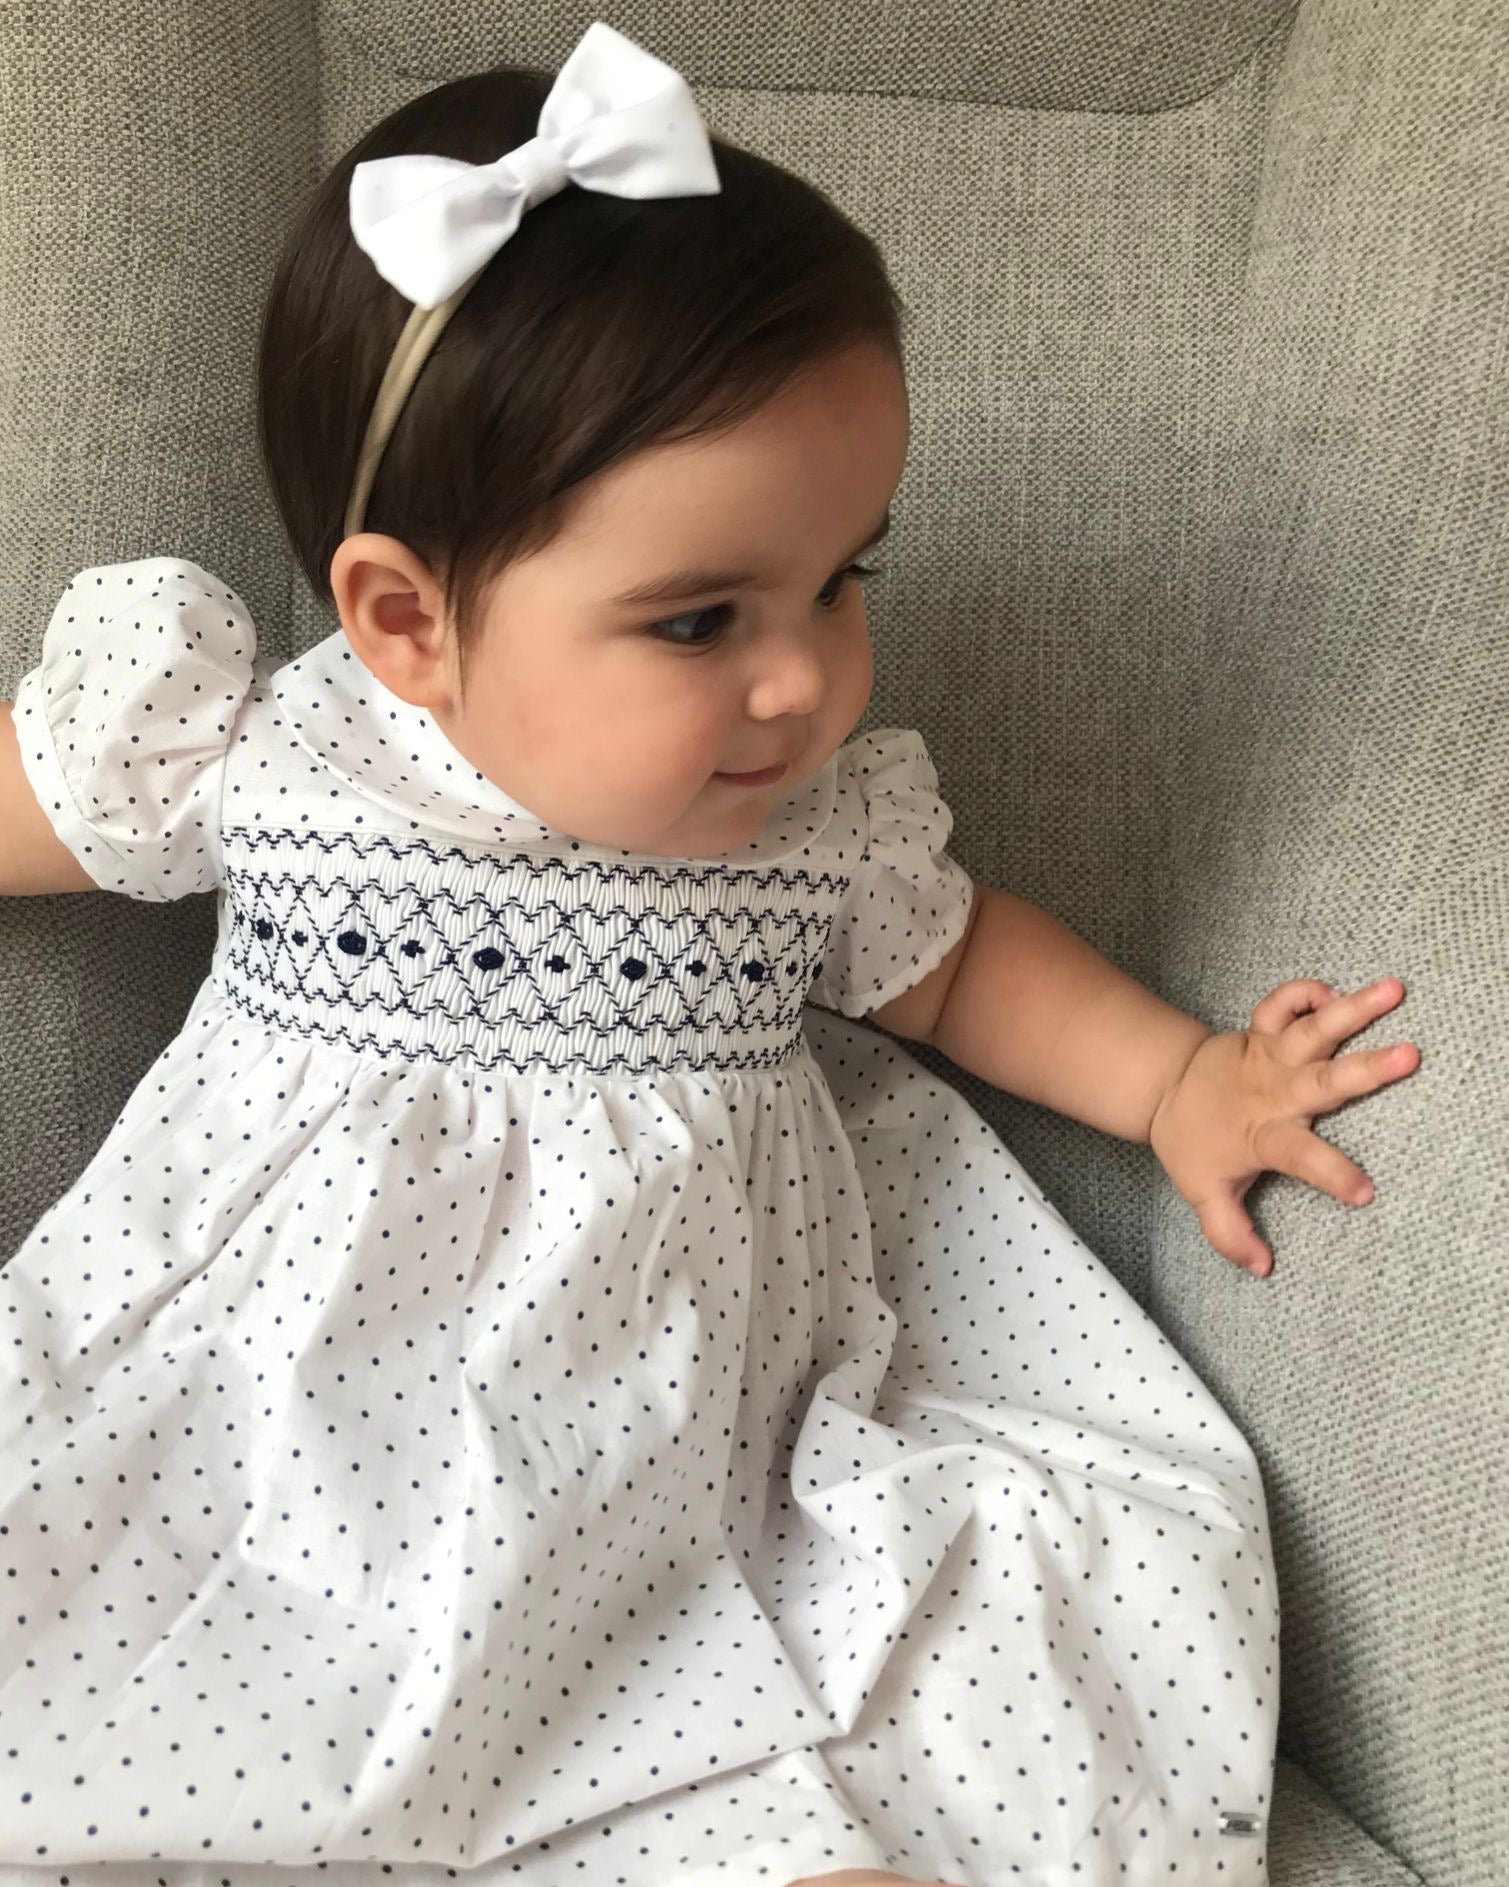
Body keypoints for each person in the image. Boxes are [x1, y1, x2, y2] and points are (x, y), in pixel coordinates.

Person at [0, 22, 1418, 1887]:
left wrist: (1174, 1080)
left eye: (842, 579)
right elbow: (35, 808)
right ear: (406, 620)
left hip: (681, 1465)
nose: (804, 680)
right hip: (284, 1435)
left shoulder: (804, 826)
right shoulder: (262, 755)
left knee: (860, 1664)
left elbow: (957, 967)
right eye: (699, 622)